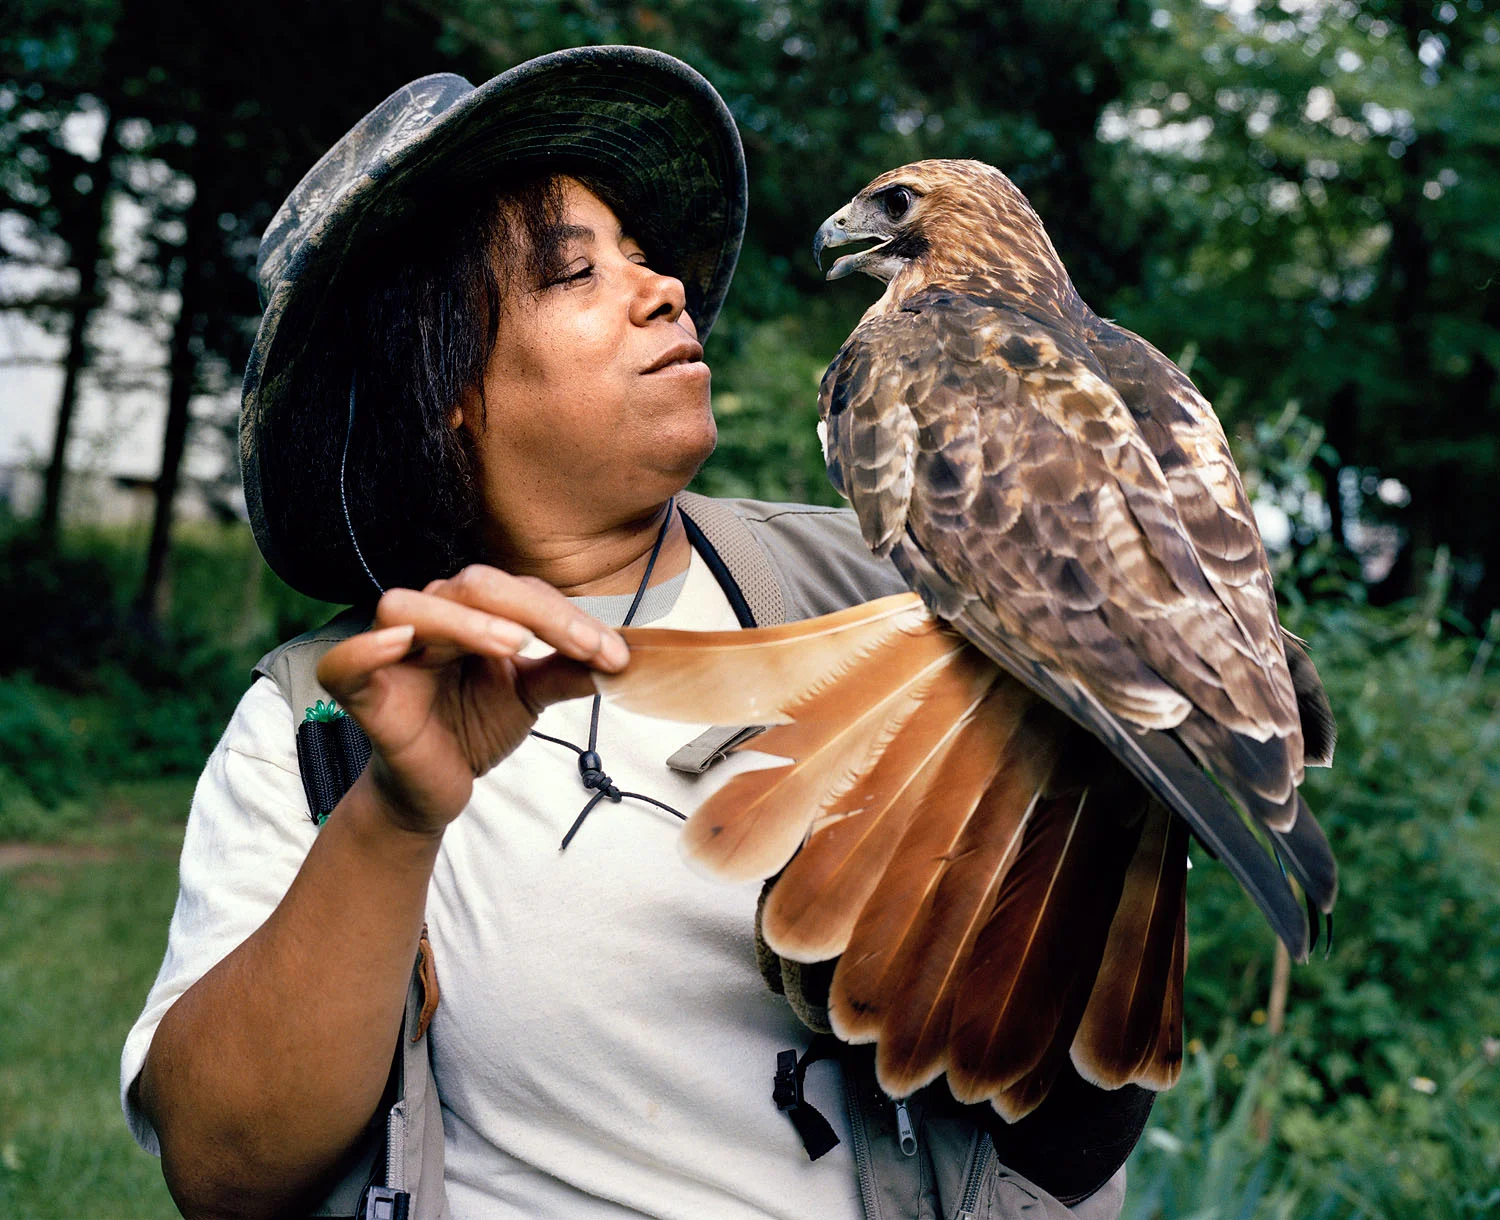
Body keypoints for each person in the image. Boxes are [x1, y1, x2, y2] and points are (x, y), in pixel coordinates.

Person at [121, 46, 1151, 1220]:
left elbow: (1062, 1119)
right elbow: (224, 1166)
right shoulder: (314, 719)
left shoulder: (875, 585)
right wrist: (395, 817)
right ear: (446, 383)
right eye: (574, 273)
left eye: (647, 256)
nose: (661, 287)